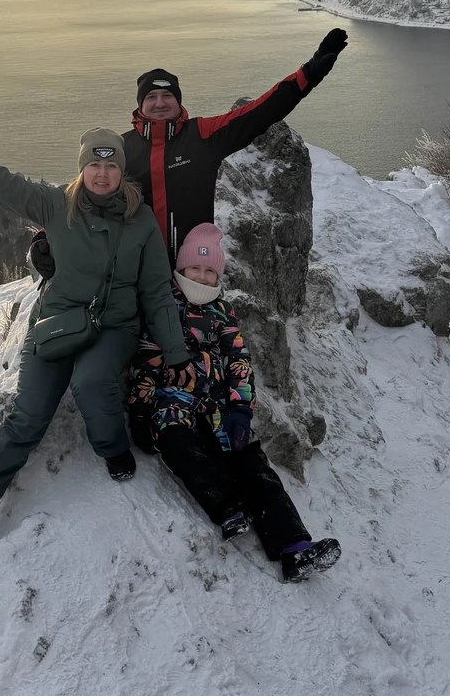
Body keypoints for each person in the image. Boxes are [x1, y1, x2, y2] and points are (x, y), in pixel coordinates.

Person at [0, 110, 191, 578]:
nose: (103, 174)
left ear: (120, 171)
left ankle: (112, 449)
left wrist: (176, 352)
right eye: (95, 165)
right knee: (26, 422)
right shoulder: (56, 206)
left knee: (93, 382)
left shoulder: (141, 221)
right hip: (55, 322)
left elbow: (155, 290)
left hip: (114, 327)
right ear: (83, 168)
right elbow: (1, 184)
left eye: (111, 166)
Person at [30, 28, 349, 273]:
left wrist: (309, 73)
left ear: (178, 101)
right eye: (150, 98)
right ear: (140, 105)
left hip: (194, 270)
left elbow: (261, 111)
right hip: (134, 271)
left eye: (167, 96)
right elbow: (83, 194)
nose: (159, 103)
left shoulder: (203, 135)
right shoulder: (121, 146)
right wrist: (45, 238)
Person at [128, 223, 341, 583]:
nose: (202, 275)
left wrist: (241, 409)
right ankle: (227, 508)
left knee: (252, 463)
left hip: (216, 406)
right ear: (180, 269)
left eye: (210, 270)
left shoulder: (223, 312)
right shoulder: (163, 304)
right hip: (172, 401)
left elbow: (239, 363)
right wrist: (141, 408)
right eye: (195, 268)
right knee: (184, 450)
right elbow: (147, 358)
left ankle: (294, 549)